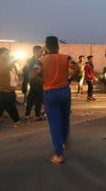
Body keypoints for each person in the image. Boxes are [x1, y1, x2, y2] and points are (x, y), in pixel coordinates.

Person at [29, 36, 79, 164]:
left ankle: (58, 155)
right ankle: (63, 143)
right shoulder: (65, 57)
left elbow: (32, 75)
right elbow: (76, 68)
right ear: (58, 46)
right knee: (65, 118)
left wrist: (42, 81)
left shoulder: (41, 60)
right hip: (64, 91)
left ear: (47, 47)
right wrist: (69, 79)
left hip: (50, 92)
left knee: (54, 123)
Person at [0, 47, 27, 132]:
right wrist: (12, 62)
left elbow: (13, 75)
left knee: (11, 106)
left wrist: (13, 88)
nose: (8, 55)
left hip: (8, 89)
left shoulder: (10, 63)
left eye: (8, 53)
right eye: (5, 53)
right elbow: (2, 72)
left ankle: (17, 122)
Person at [25, 46, 44, 121]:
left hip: (32, 81)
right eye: (40, 51)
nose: (42, 52)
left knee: (31, 98)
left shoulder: (31, 60)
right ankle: (37, 115)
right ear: (36, 52)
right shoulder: (36, 60)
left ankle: (27, 114)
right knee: (38, 98)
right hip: (37, 80)